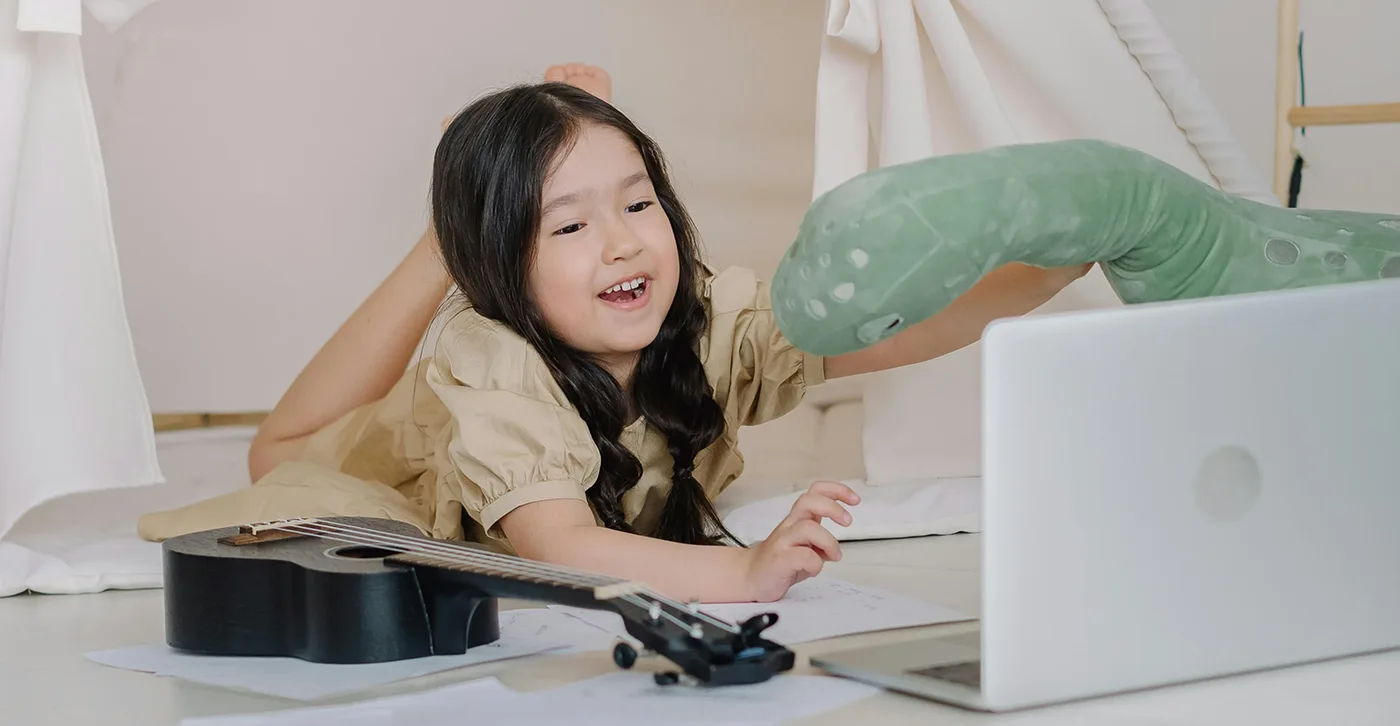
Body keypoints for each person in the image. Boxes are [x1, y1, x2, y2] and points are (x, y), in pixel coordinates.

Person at [138, 64, 1090, 603]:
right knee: (279, 456)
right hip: (397, 456)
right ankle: (447, 236)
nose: (625, 240)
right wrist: (741, 571)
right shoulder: (495, 354)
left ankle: (480, 214)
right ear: (508, 268)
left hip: (490, 308)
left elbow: (890, 326)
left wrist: (1053, 264)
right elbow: (554, 543)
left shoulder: (710, 318)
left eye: (639, 201)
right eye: (569, 223)